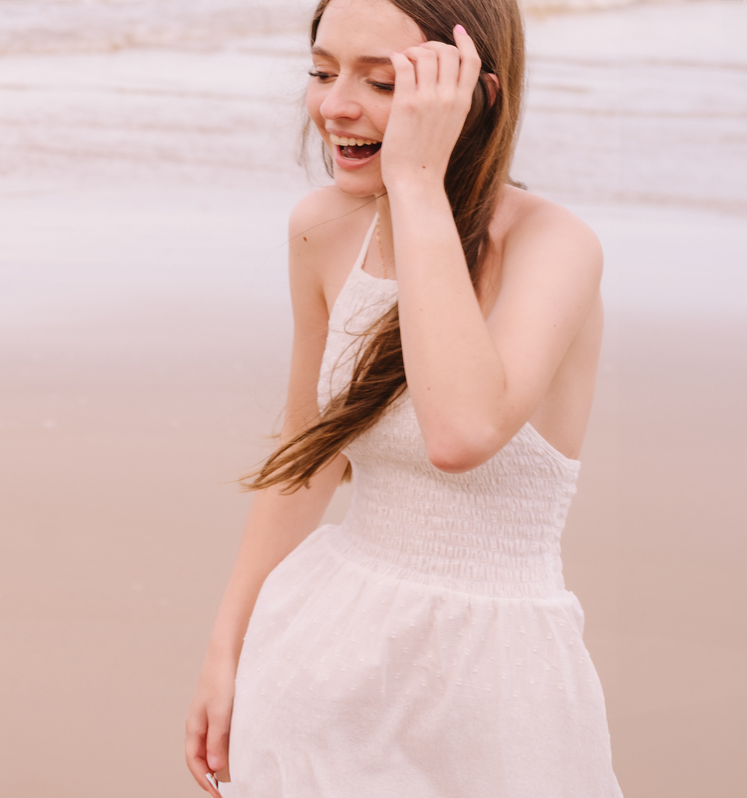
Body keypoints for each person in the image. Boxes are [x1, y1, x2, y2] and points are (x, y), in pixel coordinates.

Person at [184, 0, 621, 794]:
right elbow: (305, 458)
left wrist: (416, 185)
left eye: (382, 82)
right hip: (320, 652)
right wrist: (227, 645)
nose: (335, 105)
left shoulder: (553, 247)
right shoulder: (323, 229)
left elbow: (461, 432)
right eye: (321, 71)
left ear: (474, 94)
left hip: (494, 685)